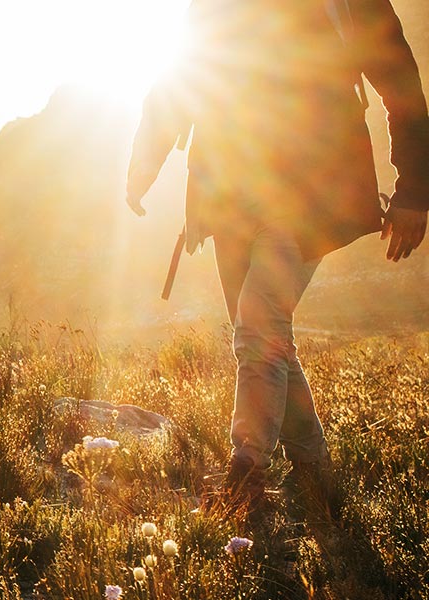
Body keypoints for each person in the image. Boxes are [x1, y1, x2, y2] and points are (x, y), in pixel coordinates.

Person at [126, 0, 427, 522]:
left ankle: (247, 473)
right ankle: (315, 478)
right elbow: (184, 75)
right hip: (230, 200)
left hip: (310, 196)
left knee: (260, 324)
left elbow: (400, 84)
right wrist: (142, 166)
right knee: (267, 338)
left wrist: (415, 189)